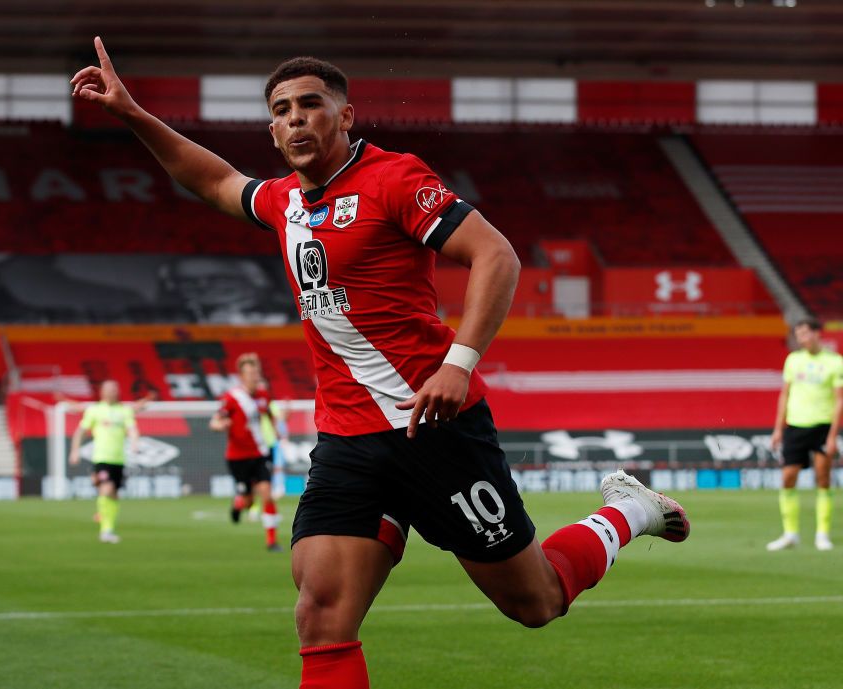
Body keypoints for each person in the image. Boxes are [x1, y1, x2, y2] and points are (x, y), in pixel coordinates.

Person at [72, 40, 690, 688]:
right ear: (272, 130)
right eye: (281, 110)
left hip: (436, 428)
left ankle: (628, 511)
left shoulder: (394, 178)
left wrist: (459, 362)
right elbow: (215, 181)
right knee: (319, 612)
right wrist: (132, 113)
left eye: (312, 104)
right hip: (348, 441)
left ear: (345, 116)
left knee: (536, 600)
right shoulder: (283, 202)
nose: (296, 118)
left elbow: (496, 255)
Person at [767, 318, 842, 552]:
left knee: (823, 478)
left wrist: (832, 435)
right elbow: (784, 395)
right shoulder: (793, 360)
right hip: (795, 427)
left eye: (805, 333)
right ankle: (790, 534)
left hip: (822, 426)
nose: (801, 339)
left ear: (817, 334)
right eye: (798, 335)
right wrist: (779, 428)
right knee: (788, 477)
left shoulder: (835, 362)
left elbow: (839, 399)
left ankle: (822, 534)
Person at [210, 353, 283, 551]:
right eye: (250, 373)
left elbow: (270, 414)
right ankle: (238, 504)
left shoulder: (263, 395)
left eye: (256, 372)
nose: (254, 376)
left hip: (259, 453)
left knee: (267, 493)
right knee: (249, 499)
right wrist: (220, 424)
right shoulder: (232, 397)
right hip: (237, 458)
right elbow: (215, 421)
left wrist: (276, 430)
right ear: (241, 376)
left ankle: (271, 541)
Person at [68, 379, 140, 543]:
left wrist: (135, 443)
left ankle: (109, 525)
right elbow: (80, 431)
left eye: (115, 388)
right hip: (101, 458)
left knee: (114, 495)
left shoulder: (124, 411)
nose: (113, 391)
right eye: (109, 389)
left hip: (119, 459)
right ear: (102, 391)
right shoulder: (94, 410)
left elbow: (132, 429)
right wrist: (74, 450)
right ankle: (105, 530)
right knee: (106, 490)